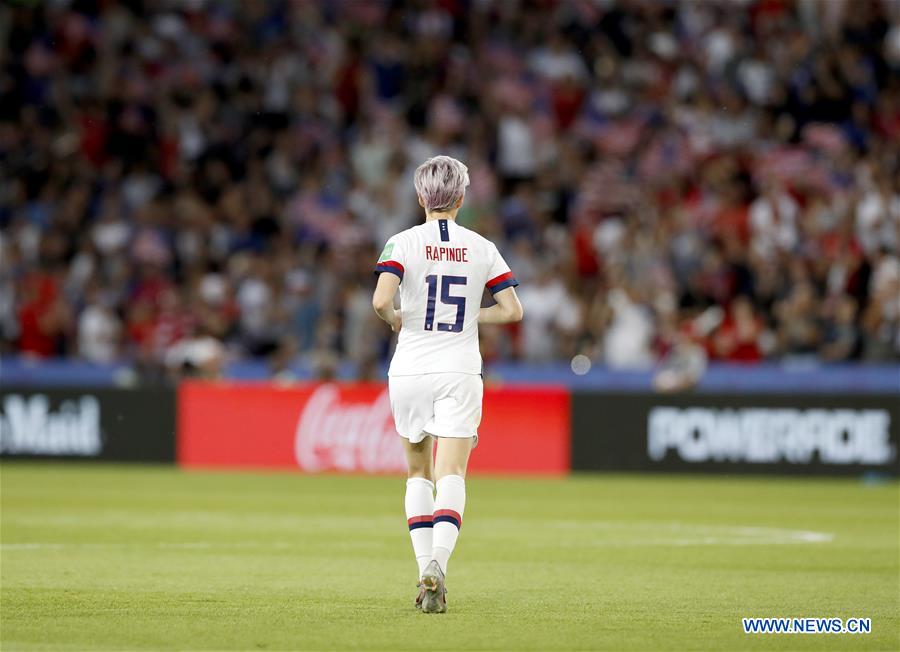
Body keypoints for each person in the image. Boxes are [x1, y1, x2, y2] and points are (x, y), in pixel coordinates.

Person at [372, 156, 524, 613]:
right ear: (461, 197)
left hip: (411, 369)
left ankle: (422, 570)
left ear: (421, 197)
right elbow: (513, 310)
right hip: (460, 369)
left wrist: (397, 318)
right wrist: (467, 317)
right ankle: (440, 562)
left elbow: (380, 301)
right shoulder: (482, 246)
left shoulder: (401, 242)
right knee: (451, 474)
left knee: (417, 472)